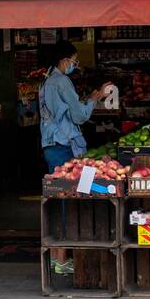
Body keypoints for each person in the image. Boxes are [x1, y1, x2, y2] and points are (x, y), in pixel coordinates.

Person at [39, 40, 112, 275]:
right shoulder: (62, 81)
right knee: (69, 198)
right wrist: (94, 97)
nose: (75, 65)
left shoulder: (46, 81)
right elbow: (79, 116)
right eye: (74, 60)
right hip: (64, 146)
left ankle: (56, 257)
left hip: (51, 145)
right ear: (64, 60)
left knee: (57, 196)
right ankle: (62, 259)